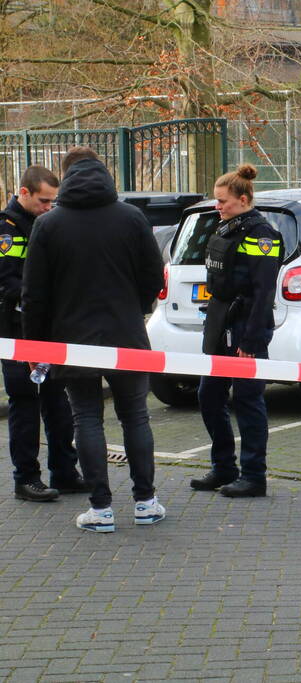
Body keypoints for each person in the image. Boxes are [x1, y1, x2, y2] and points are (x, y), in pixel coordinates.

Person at [21, 147, 165, 533]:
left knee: (86, 418)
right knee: (135, 416)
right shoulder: (132, 217)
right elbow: (155, 276)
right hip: (127, 335)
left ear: (65, 177)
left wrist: (34, 346)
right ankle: (146, 502)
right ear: (103, 172)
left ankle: (101, 509)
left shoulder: (50, 225)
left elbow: (34, 294)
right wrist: (134, 309)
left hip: (73, 339)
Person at [190, 164, 282, 498]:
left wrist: (252, 339)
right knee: (209, 397)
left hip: (245, 327)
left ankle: (254, 476)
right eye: (217, 201)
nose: (218, 206)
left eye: (223, 201)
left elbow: (263, 292)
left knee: (247, 400)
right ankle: (224, 467)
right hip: (219, 323)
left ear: (243, 200)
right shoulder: (227, 228)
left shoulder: (261, 236)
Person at [0, 166, 87, 502]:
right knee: (25, 405)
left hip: (50, 330)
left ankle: (64, 472)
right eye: (43, 200)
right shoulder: (8, 229)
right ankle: (26, 479)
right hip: (18, 331)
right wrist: (43, 299)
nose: (49, 206)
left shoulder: (47, 223)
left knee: (58, 403)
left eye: (53, 201)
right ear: (24, 193)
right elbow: (7, 283)